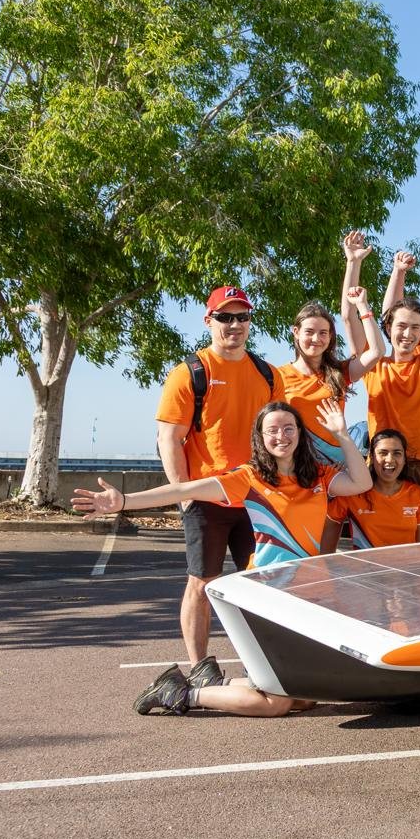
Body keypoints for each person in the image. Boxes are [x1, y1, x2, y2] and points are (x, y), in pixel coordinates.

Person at [80, 399, 372, 716]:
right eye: (272, 430)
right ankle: (183, 693)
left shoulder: (320, 476)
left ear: (301, 434)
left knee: (304, 698)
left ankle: (208, 685)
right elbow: (183, 491)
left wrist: (342, 434)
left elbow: (362, 482)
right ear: (260, 438)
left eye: (289, 428)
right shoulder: (249, 478)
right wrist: (123, 500)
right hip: (268, 598)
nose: (281, 436)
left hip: (308, 598)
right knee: (276, 704)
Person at [155, 285, 285, 681]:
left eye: (242, 317)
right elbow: (169, 439)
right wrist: (184, 496)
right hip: (207, 498)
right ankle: (199, 667)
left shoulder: (268, 373)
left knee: (263, 582)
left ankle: (264, 662)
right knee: (201, 582)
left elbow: (279, 434)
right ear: (208, 321)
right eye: (225, 317)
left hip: (256, 499)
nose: (235, 325)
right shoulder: (191, 373)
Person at [349, 229, 420, 466]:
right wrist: (394, 272)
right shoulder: (373, 363)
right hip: (381, 464)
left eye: (415, 327)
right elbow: (351, 314)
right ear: (388, 328)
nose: (407, 334)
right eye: (401, 326)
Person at [277, 285, 383, 466]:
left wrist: (363, 306)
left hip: (336, 466)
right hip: (298, 466)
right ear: (296, 332)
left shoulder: (339, 373)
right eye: (309, 332)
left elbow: (376, 351)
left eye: (323, 333)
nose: (316, 339)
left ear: (331, 336)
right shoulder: (277, 376)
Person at [327, 428, 420, 548]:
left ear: (404, 460)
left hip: (407, 566)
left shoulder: (417, 494)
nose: (389, 459)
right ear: (371, 457)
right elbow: (329, 527)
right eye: (383, 453)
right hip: (365, 567)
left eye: (397, 453)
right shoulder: (353, 493)